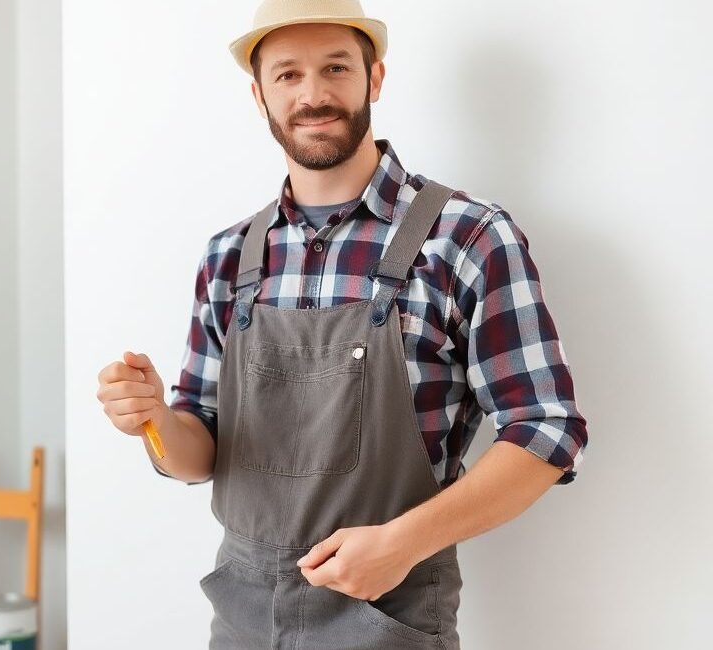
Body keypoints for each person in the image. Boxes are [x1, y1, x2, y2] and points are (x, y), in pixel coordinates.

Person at [94, 0, 589, 648]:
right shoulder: (229, 256)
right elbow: (197, 454)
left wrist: (401, 543)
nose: (314, 93)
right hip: (242, 620)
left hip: (390, 618)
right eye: (289, 75)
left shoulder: (467, 238)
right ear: (259, 95)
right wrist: (154, 420)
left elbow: (546, 431)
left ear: (373, 78)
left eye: (335, 67)